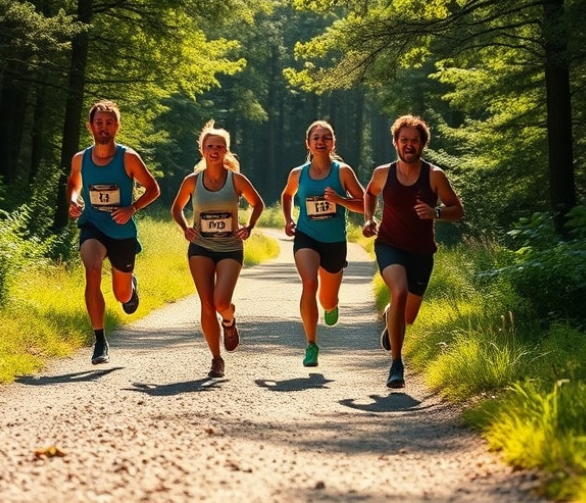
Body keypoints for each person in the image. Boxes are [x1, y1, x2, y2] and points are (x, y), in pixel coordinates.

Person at [362, 115, 464, 388]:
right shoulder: (383, 173)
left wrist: (436, 212)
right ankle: (396, 364)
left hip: (421, 253)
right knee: (399, 291)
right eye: (404, 140)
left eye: (414, 141)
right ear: (395, 143)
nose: (409, 145)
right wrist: (369, 219)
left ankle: (389, 315)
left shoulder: (434, 176)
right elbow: (370, 194)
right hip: (389, 245)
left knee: (407, 316)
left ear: (422, 145)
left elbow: (458, 210)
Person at [67, 100, 161, 365]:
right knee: (92, 268)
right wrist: (73, 200)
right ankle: (99, 341)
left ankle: (130, 286)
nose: (104, 127)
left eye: (109, 123)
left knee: (122, 297)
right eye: (99, 122)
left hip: (121, 231)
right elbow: (73, 182)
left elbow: (153, 189)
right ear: (91, 126)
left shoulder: (128, 157)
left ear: (117, 126)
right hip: (93, 225)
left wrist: (132, 207)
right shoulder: (80, 159)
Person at [170, 121, 265, 378]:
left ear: (226, 151)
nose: (214, 150)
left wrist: (249, 227)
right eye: (210, 146)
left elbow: (258, 204)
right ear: (202, 150)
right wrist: (184, 227)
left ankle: (229, 320)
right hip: (200, 246)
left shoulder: (236, 180)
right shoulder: (192, 181)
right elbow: (176, 208)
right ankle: (216, 359)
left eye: (219, 147)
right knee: (206, 303)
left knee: (220, 301)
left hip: (230, 248)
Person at [281, 120, 365, 367]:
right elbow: (287, 195)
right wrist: (288, 219)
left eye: (326, 137)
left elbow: (365, 203)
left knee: (327, 299)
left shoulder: (343, 172)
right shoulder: (298, 173)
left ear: (333, 143)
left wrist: (339, 200)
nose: (321, 141)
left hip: (334, 241)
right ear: (308, 143)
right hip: (306, 235)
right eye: (316, 137)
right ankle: (311, 345)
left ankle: (331, 305)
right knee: (309, 282)